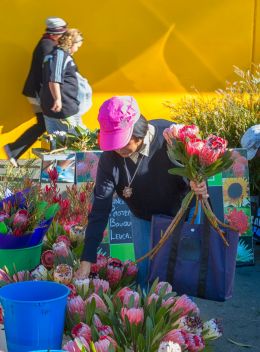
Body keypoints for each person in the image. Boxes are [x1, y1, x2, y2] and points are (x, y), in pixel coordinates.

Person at [75, 96, 208, 287]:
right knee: (145, 275)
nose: (116, 149)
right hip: (142, 218)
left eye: (121, 141)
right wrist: (86, 261)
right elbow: (100, 210)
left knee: (180, 278)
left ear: (138, 131)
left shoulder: (172, 137)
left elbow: (198, 172)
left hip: (180, 216)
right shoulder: (109, 158)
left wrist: (199, 185)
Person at [4, 17, 67, 167]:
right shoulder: (48, 47)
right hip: (38, 93)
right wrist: (53, 97)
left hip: (37, 92)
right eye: (61, 34)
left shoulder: (47, 43)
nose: (63, 37)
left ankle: (14, 150)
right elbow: (49, 74)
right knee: (49, 124)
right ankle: (14, 149)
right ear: (54, 34)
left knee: (44, 124)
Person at [41, 28, 92, 134]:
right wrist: (58, 99)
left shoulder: (51, 55)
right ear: (72, 43)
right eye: (77, 46)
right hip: (64, 108)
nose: (76, 50)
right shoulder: (60, 55)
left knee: (57, 143)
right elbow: (54, 79)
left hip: (50, 107)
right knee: (80, 139)